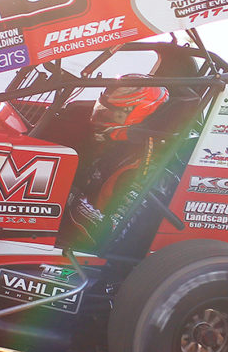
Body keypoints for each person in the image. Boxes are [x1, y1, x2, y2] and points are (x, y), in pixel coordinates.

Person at [65, 78, 169, 247]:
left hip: (90, 253)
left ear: (135, 116)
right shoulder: (118, 148)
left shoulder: (147, 170)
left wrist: (70, 198)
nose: (102, 118)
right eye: (102, 110)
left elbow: (109, 233)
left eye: (113, 114)